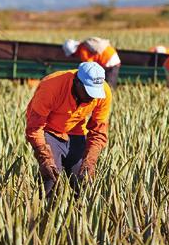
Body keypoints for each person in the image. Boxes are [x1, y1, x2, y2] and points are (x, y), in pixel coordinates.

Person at [25, 62, 112, 196]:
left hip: (76, 132)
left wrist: (90, 160)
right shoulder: (51, 87)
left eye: (95, 92)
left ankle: (81, 214)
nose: (92, 97)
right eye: (88, 91)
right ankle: (45, 213)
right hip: (49, 131)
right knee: (51, 178)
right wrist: (45, 158)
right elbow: (35, 127)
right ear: (77, 82)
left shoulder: (103, 94)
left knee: (84, 181)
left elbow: (98, 131)